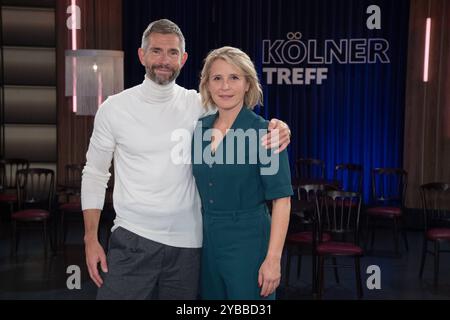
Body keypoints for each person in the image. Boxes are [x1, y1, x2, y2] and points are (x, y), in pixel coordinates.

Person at [81, 19, 291, 300]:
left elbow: (239, 109)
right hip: (134, 237)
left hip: (190, 244)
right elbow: (94, 174)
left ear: (183, 58)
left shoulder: (201, 107)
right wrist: (90, 237)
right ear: (142, 55)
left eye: (172, 53)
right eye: (156, 51)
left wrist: (280, 127)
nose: (164, 60)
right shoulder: (116, 109)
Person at [192, 46, 292, 300]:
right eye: (217, 78)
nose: (225, 86)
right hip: (207, 241)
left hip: (249, 241)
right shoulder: (199, 129)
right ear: (208, 84)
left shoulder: (266, 133)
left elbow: (282, 200)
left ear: (247, 83)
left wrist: (273, 259)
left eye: (234, 78)